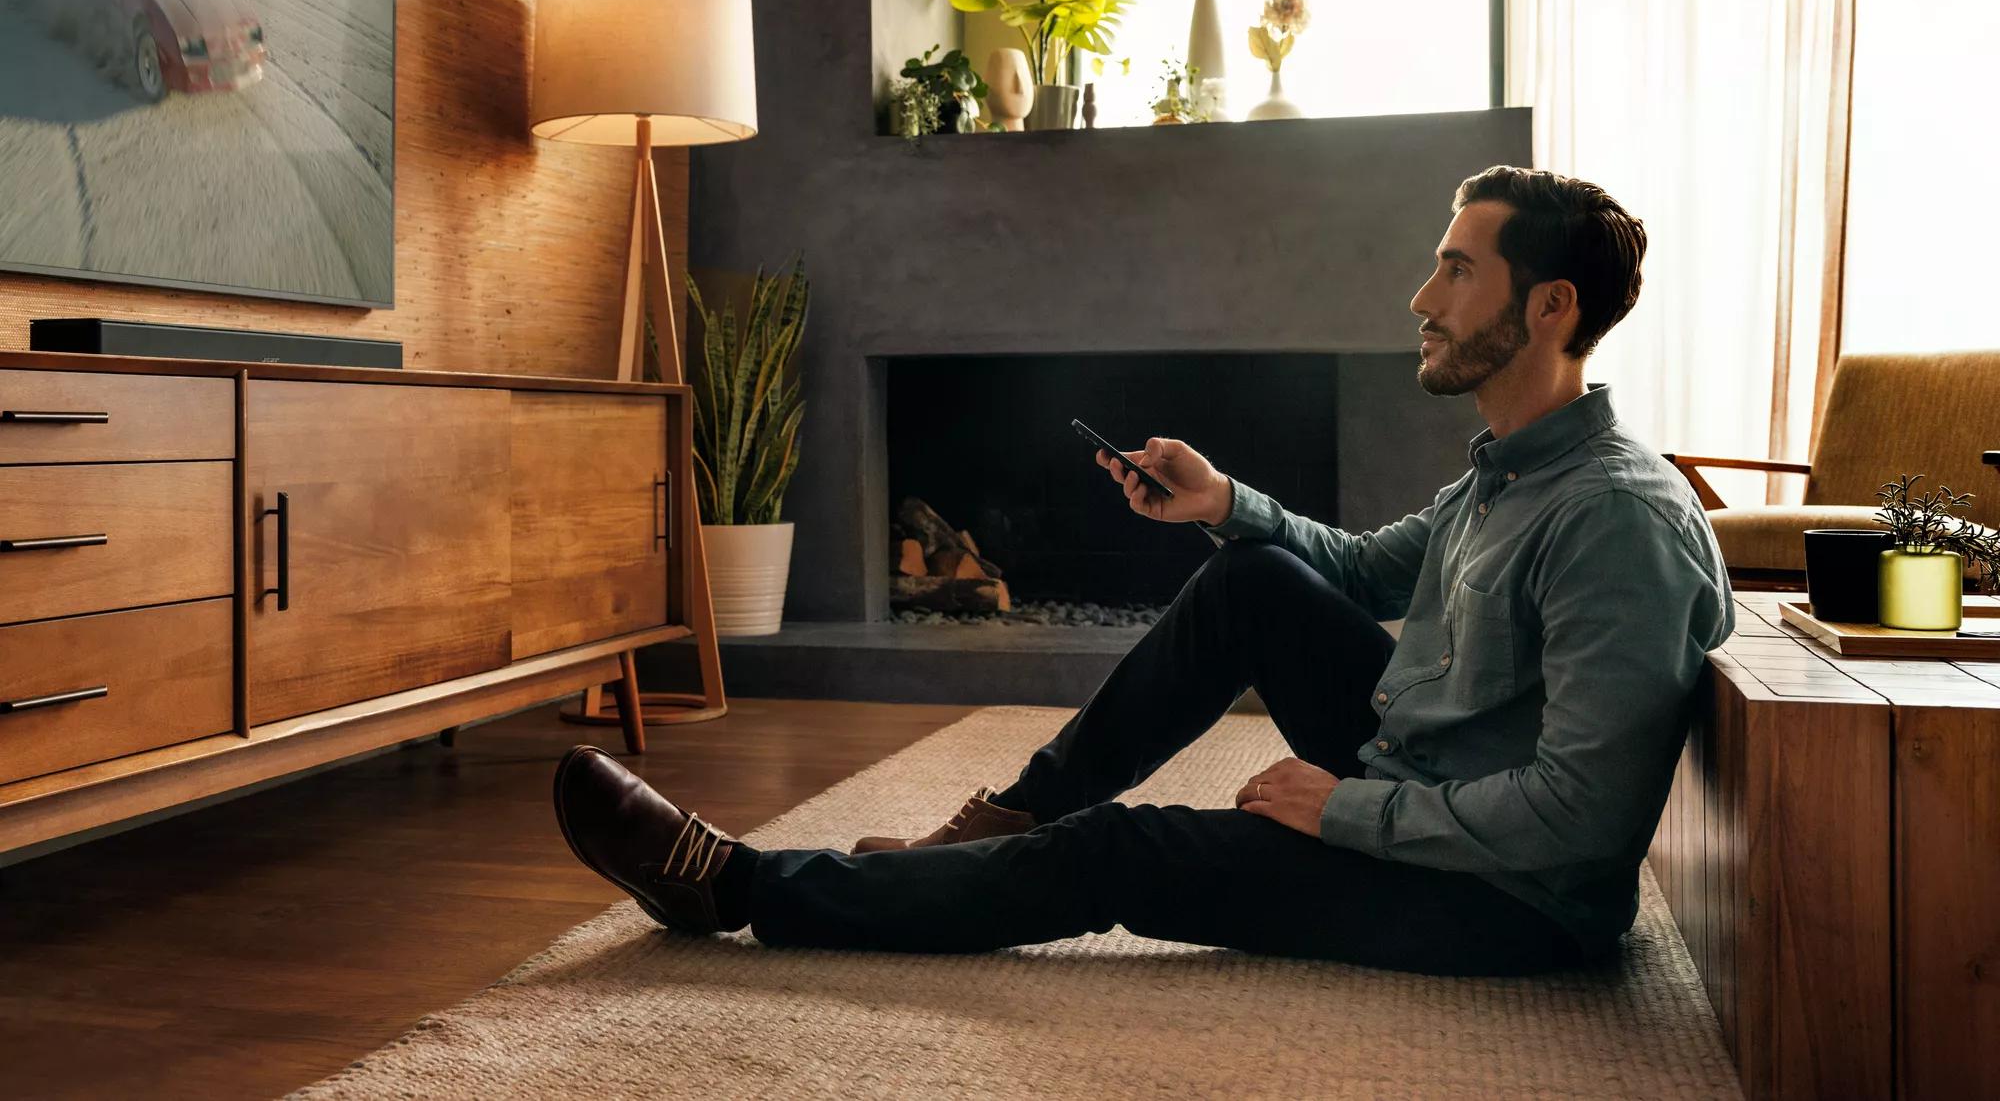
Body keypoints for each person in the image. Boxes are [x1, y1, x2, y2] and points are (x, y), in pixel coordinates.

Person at [552, 165, 1733, 975]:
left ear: (1548, 306)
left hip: (1500, 900)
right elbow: (1366, 570)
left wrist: (1347, 808)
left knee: (1123, 853)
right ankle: (1003, 818)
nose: (1421, 298)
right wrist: (1223, 504)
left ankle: (744, 885)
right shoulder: (1509, 470)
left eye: (1456, 271)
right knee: (1249, 579)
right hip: (1419, 775)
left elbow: (1579, 824)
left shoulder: (1614, 520)